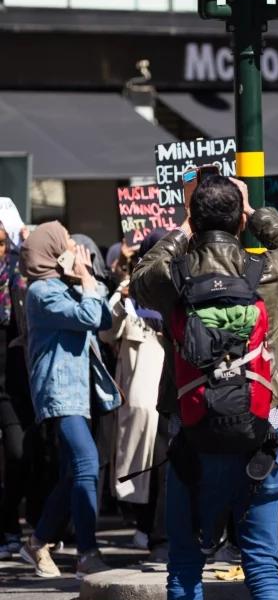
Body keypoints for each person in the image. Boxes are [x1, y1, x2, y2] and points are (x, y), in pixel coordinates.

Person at [132, 175, 278, 600]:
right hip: (259, 432)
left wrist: (181, 230)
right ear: (238, 221)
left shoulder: (172, 278)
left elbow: (141, 276)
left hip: (192, 437)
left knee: (186, 564)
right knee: (261, 564)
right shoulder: (266, 271)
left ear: (194, 219)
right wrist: (256, 212)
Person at [17, 221, 118, 579]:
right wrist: (86, 278)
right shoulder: (42, 292)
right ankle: (87, 553)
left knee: (72, 473)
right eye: (65, 245)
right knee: (87, 464)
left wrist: (84, 277)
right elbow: (92, 313)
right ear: (50, 252)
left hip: (81, 392)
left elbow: (104, 317)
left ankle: (38, 542)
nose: (73, 250)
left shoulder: (64, 286)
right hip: (60, 392)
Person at [102, 228, 170, 551]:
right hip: (140, 393)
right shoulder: (129, 291)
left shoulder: (176, 285)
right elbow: (106, 331)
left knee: (163, 462)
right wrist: (121, 296)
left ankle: (158, 528)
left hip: (169, 389)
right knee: (142, 462)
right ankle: (145, 524)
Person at [0, 223, 34, 558]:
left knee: (18, 453)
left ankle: (11, 526)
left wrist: (25, 247)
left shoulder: (16, 276)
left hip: (11, 385)